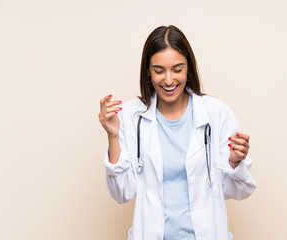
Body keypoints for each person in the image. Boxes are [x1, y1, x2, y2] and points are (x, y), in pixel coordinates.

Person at [98, 25, 256, 240]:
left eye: (177, 69)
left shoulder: (216, 113)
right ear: (148, 70)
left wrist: (234, 162)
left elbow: (240, 190)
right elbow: (122, 193)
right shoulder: (130, 116)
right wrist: (113, 135)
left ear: (188, 68)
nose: (169, 80)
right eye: (159, 70)